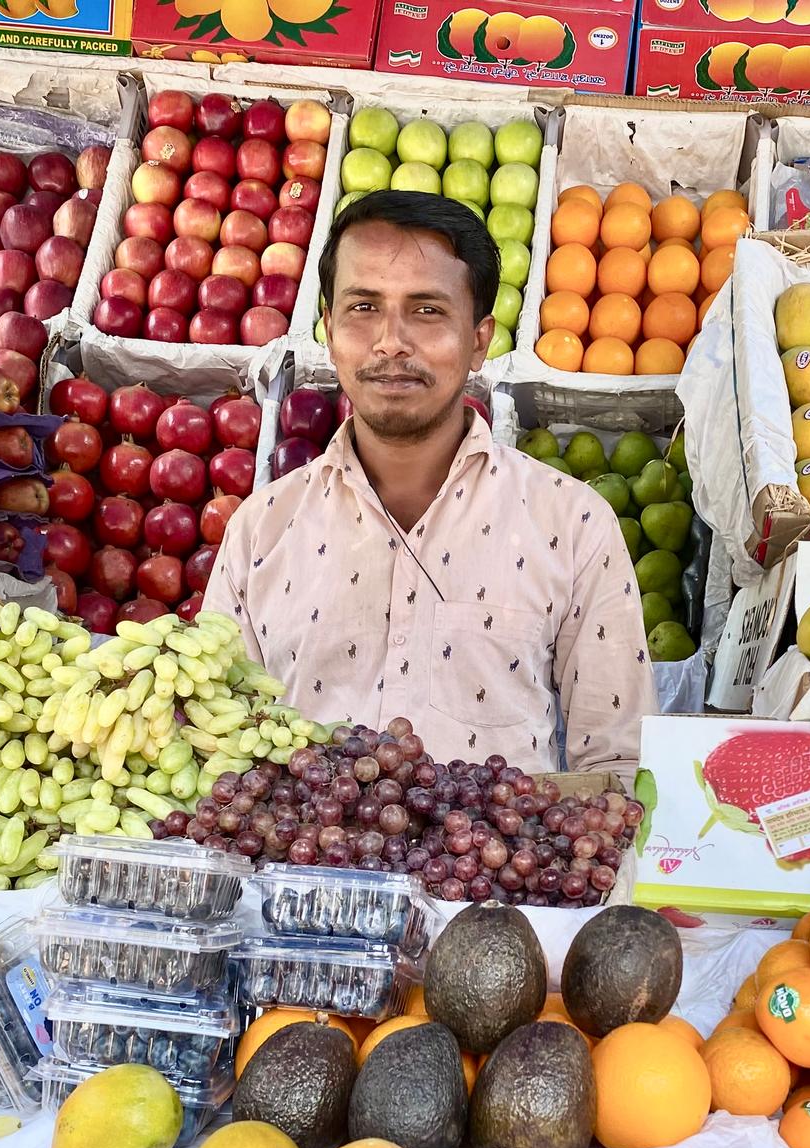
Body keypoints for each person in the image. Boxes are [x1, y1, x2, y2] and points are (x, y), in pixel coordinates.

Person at [204, 191, 657, 775]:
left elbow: (620, 766)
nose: (391, 341)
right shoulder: (261, 530)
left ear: (478, 340)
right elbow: (214, 746)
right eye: (363, 307)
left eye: (427, 310)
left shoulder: (571, 525)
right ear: (329, 330)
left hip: (494, 864)